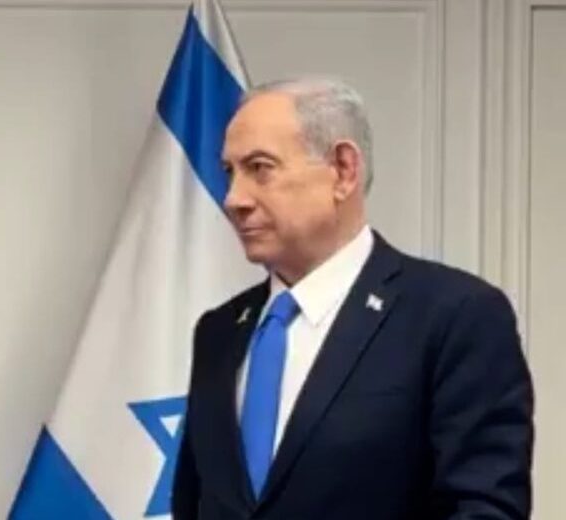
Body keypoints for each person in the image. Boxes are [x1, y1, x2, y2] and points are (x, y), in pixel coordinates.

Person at [172, 77, 533, 519]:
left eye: (260, 168)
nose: (233, 199)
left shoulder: (454, 316)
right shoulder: (219, 332)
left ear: (343, 170)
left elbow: (483, 509)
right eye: (230, 172)